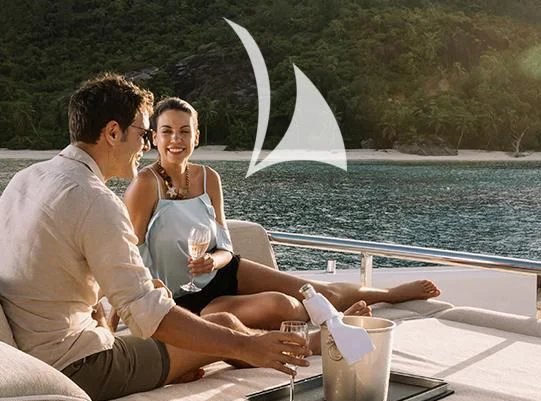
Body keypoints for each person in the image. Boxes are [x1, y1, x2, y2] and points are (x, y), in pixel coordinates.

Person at [0, 74, 307, 401]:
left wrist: (117, 313)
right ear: (113, 133)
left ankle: (183, 361)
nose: (147, 145)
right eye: (143, 133)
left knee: (206, 329)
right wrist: (246, 345)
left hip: (27, 353)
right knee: (227, 326)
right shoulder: (94, 199)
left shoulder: (26, 178)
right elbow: (150, 316)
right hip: (73, 366)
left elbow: (57, 274)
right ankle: (309, 350)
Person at [123, 97, 442, 330]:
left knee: (318, 291)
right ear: (155, 137)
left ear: (196, 136)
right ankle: (335, 320)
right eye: (166, 131)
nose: (175, 140)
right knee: (283, 305)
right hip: (184, 301)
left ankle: (389, 294)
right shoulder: (145, 185)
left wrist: (213, 261)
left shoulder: (209, 178)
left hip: (223, 272)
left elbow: (225, 246)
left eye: (184, 131)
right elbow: (130, 258)